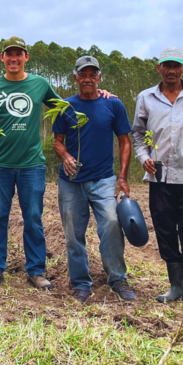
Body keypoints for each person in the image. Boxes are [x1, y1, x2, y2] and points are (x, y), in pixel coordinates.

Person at [0, 37, 63, 289]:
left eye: (18, 54)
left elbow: (64, 108)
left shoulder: (40, 84)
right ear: (2, 58)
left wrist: (100, 95)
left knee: (33, 217)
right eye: (9, 54)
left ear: (26, 57)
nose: (14, 58)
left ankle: (36, 270)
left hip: (32, 165)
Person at [52, 55, 135, 303]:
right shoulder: (65, 107)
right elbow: (57, 141)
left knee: (111, 224)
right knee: (73, 234)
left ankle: (117, 278)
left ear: (99, 78)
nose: (87, 78)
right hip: (71, 182)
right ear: (75, 78)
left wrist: (122, 176)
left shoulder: (113, 105)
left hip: (103, 180)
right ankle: (81, 284)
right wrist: (65, 155)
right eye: (83, 74)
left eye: (92, 74)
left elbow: (124, 141)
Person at [132, 47, 183, 303]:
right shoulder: (146, 98)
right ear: (159, 69)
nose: (171, 70)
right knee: (165, 231)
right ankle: (176, 286)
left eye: (176, 65)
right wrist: (144, 158)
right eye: (167, 65)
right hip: (160, 178)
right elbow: (137, 134)